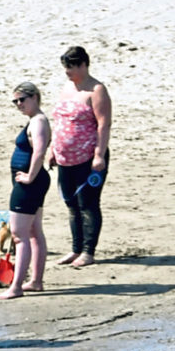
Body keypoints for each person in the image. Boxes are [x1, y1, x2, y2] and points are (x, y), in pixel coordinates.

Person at [51, 45, 111, 269]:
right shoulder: (67, 87)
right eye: (65, 67)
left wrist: (99, 155)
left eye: (71, 67)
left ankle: (88, 251)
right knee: (71, 204)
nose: (67, 71)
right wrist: (53, 150)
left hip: (88, 157)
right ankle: (76, 248)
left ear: (84, 65)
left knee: (88, 204)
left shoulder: (96, 90)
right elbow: (59, 121)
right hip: (65, 158)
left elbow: (104, 125)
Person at [0, 85, 53, 299]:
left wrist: (30, 176)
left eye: (22, 99)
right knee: (33, 232)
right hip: (31, 181)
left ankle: (16, 287)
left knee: (19, 235)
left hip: (30, 183)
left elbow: (39, 150)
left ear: (35, 97)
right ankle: (36, 281)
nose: (19, 105)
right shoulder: (35, 120)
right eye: (15, 101)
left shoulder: (38, 121)